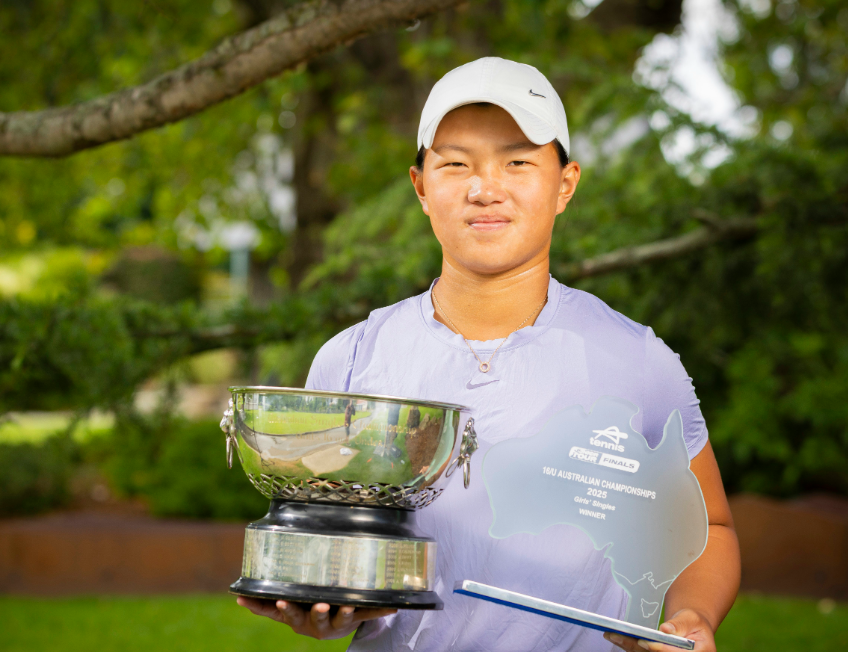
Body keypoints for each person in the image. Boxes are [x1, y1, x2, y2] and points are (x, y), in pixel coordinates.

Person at [238, 57, 740, 652]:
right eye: (455, 164)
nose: (484, 189)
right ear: (421, 187)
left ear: (565, 184)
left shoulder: (638, 361)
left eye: (518, 162)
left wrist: (694, 616)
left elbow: (709, 526)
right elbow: (328, 545)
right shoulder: (352, 359)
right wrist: (323, 601)